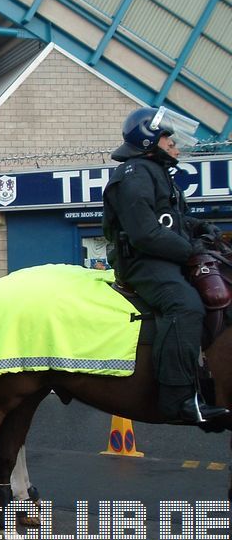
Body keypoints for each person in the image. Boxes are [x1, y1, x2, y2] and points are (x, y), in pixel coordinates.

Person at [102, 105, 229, 424]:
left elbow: (170, 219)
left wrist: (199, 228)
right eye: (166, 139)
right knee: (185, 305)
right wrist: (189, 250)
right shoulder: (133, 174)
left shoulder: (158, 173)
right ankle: (181, 398)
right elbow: (145, 232)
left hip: (163, 255)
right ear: (148, 142)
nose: (174, 144)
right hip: (143, 262)